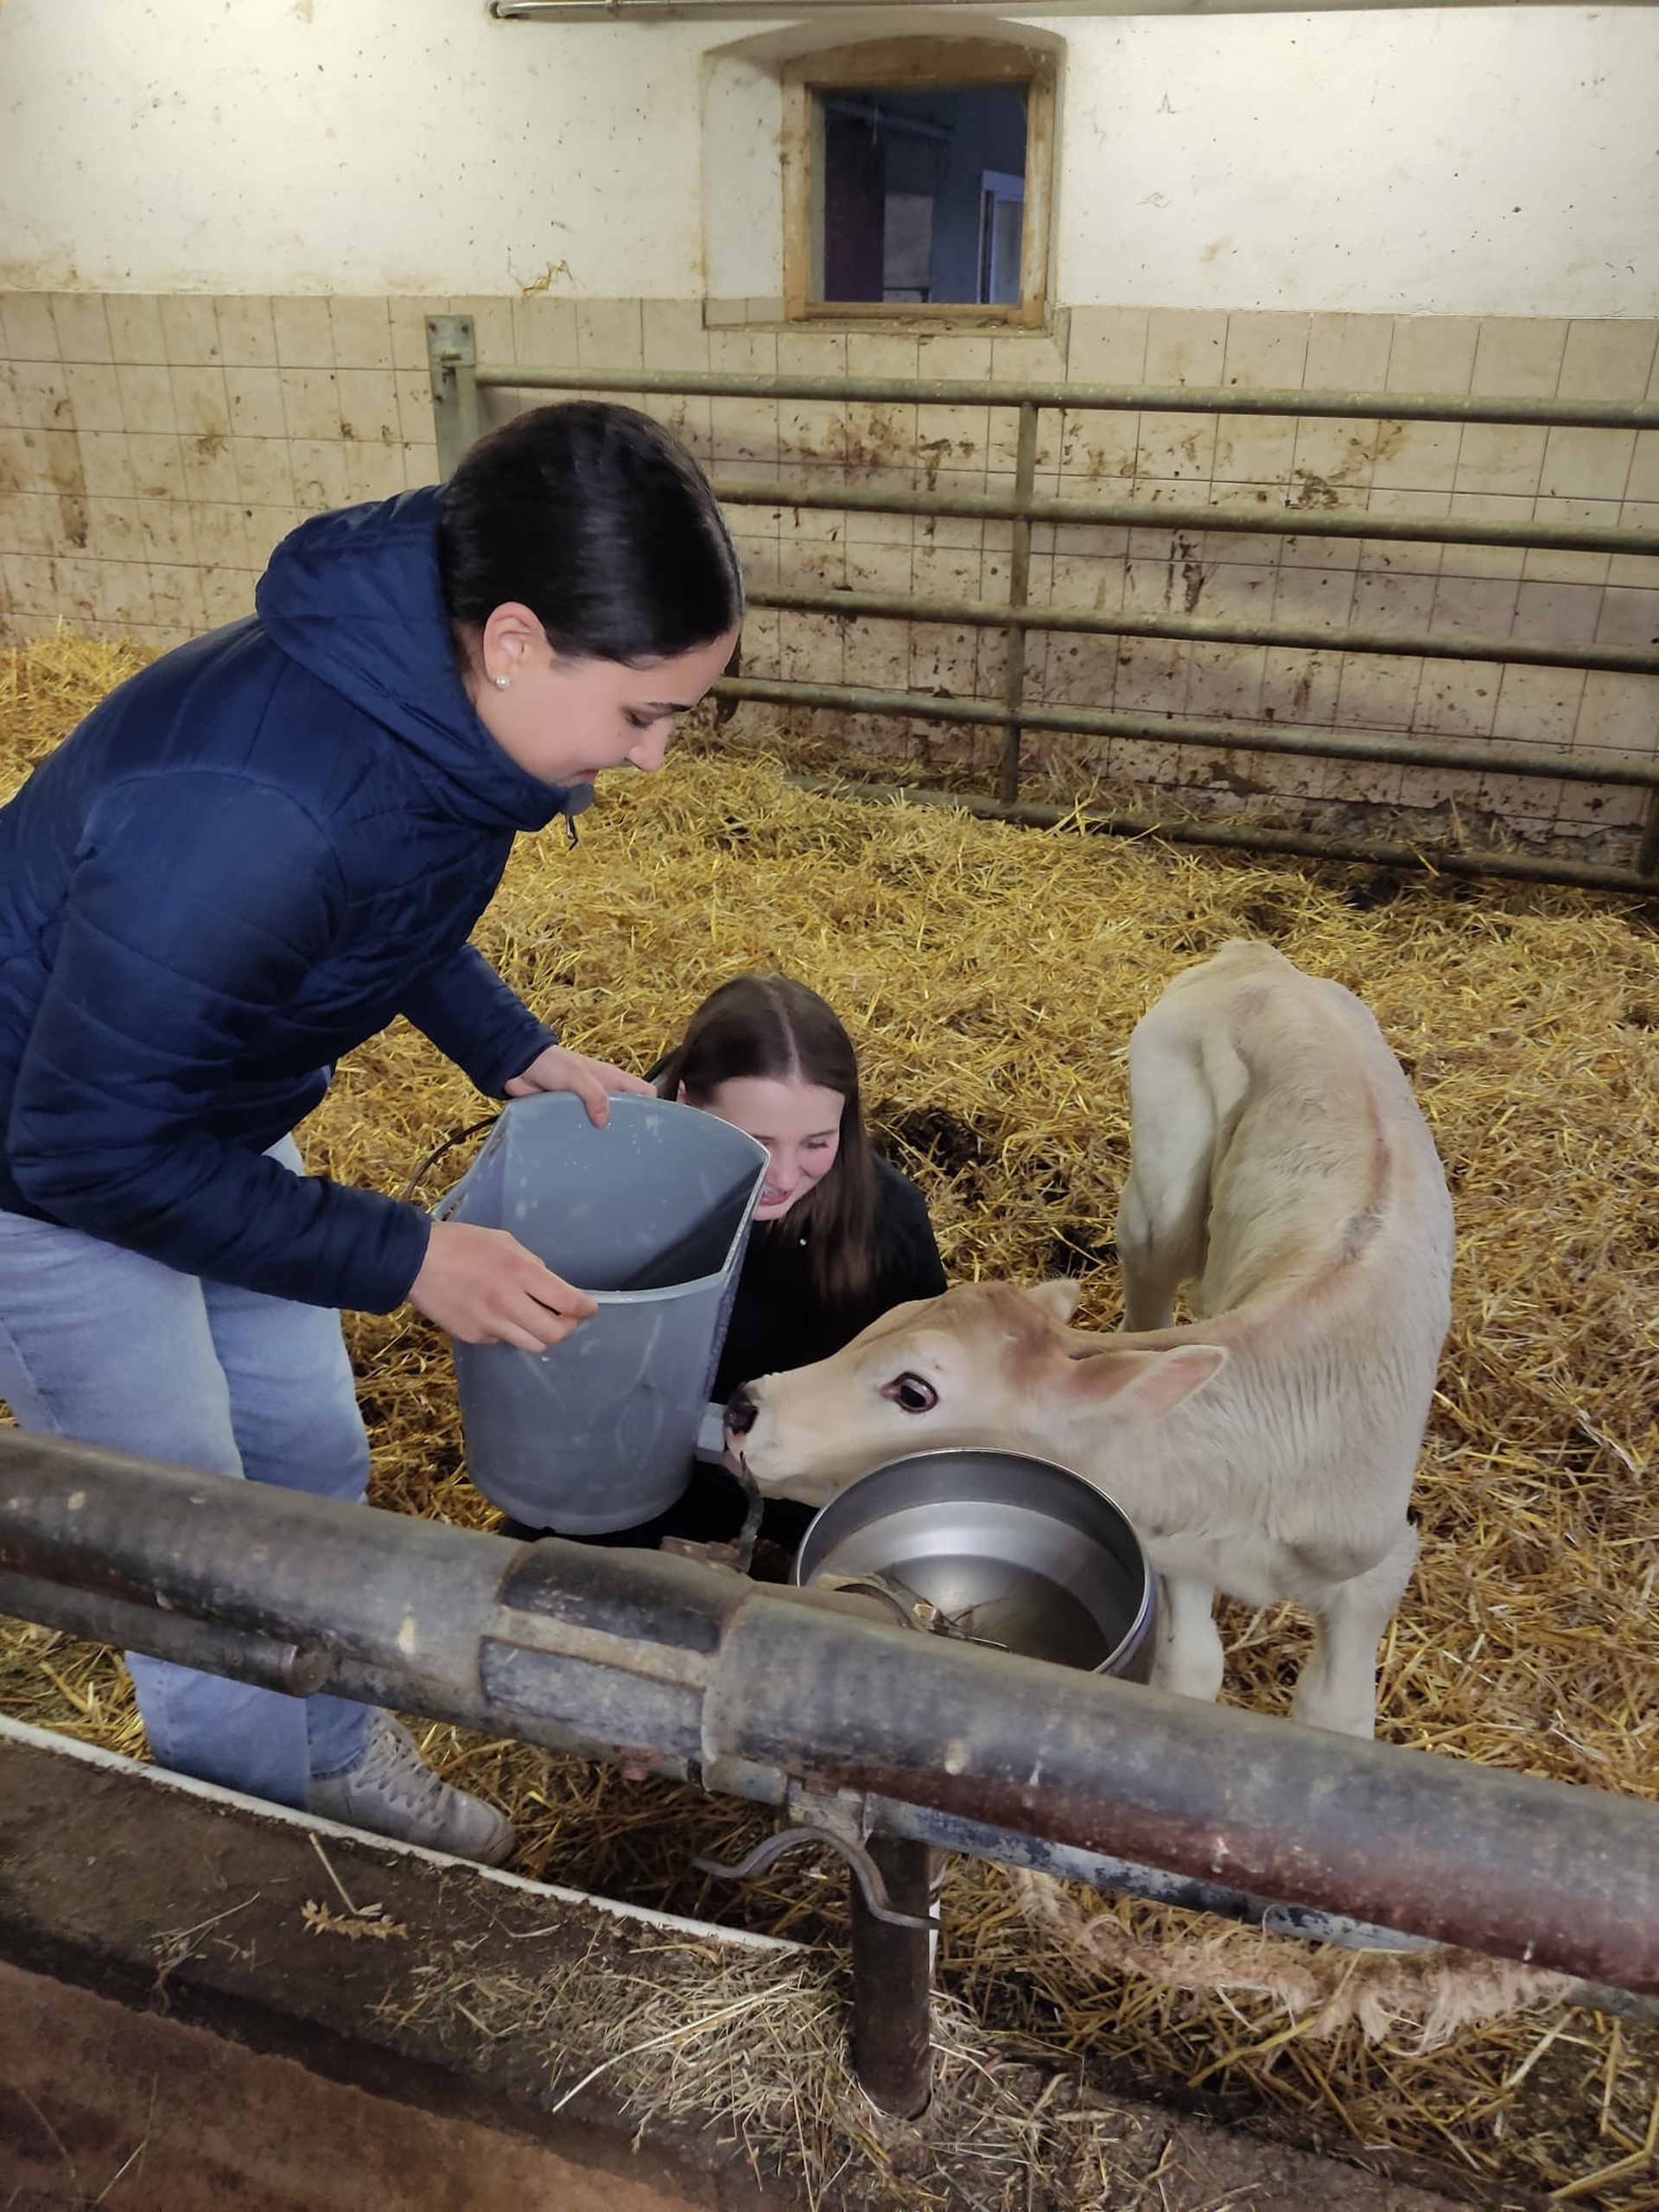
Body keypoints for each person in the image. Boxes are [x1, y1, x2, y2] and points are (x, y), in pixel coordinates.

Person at [0, 401, 743, 1863]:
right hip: (49, 1170)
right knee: (188, 1542)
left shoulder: (440, 707)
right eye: (643, 712)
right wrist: (407, 1256)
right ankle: (263, 1855)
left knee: (306, 1456)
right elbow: (82, 1148)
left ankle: (329, 1747)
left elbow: (382, 902)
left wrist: (511, 1048)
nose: (652, 759)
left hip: (202, 1116)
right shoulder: (251, 809)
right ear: (519, 641)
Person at [498, 975, 947, 1558]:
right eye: (755, 1140)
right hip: (610, 1487)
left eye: (816, 1141)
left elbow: (921, 1395)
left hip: (794, 1516)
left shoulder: (889, 1221)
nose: (784, 1176)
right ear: (686, 1103)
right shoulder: (606, 1192)